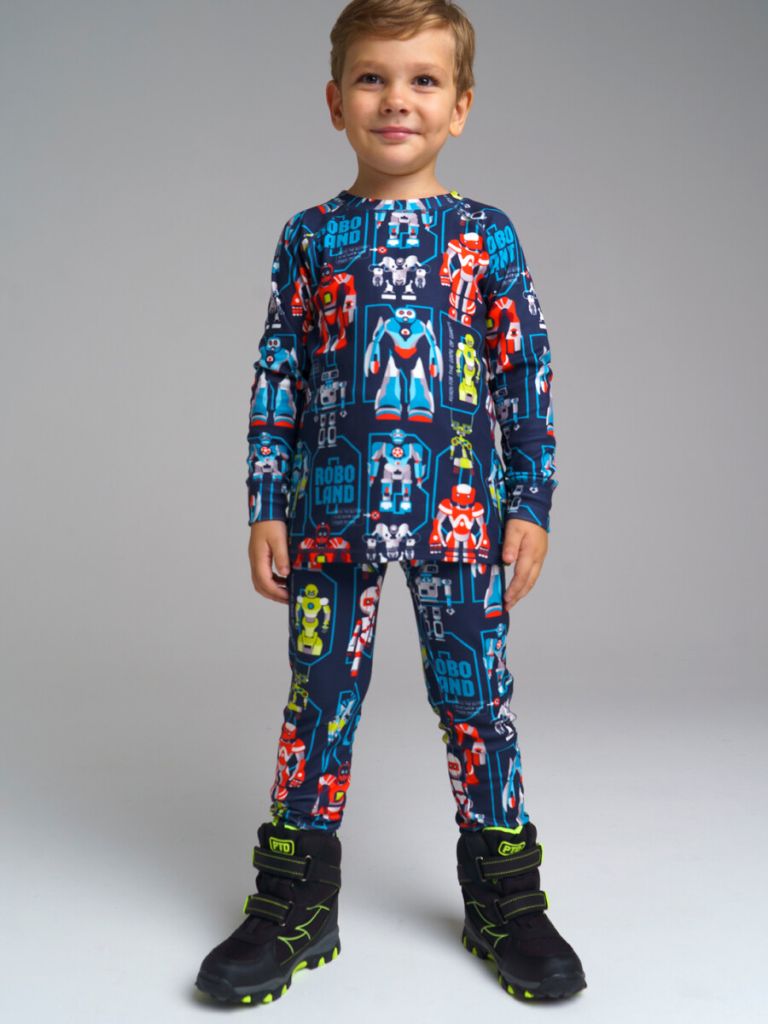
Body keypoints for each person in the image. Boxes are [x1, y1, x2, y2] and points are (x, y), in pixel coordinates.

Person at [195, 0, 586, 1007]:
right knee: (318, 700)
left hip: (461, 514)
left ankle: (505, 897)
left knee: (476, 702)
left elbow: (526, 372)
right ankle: (294, 898)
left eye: (422, 80)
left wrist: (531, 501)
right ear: (336, 102)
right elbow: (279, 372)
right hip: (328, 518)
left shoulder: (484, 236)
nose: (396, 100)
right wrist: (265, 501)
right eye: (372, 78)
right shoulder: (310, 237)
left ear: (461, 107)